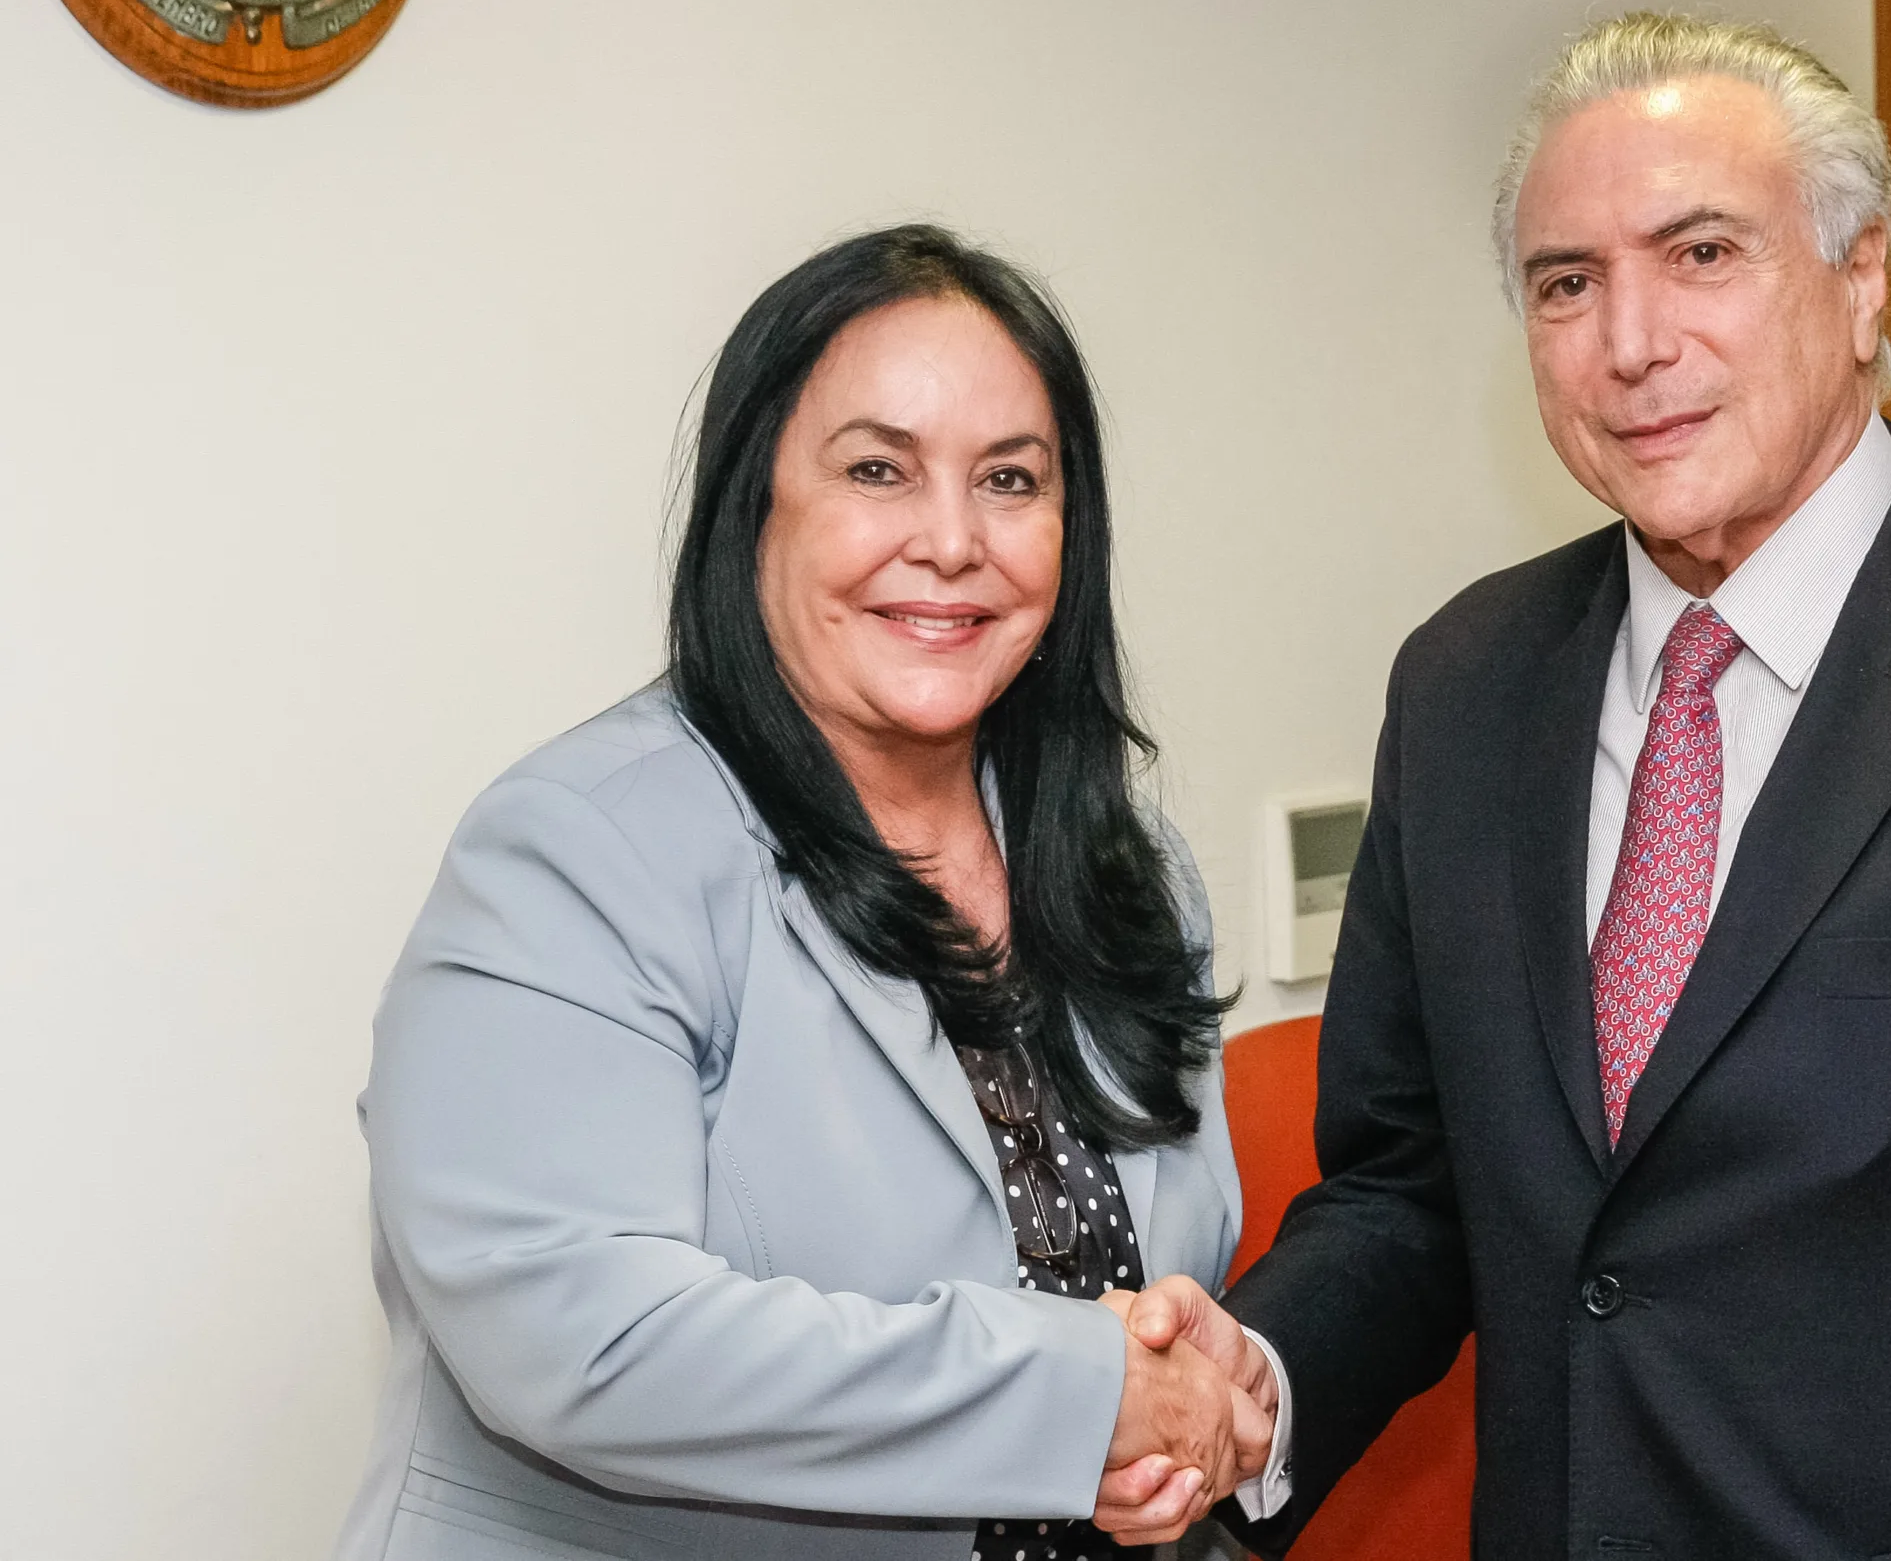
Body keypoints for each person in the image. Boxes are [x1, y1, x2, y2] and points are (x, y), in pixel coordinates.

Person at [1123, 13, 1891, 1559]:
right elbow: (1412, 1190)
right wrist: (1259, 1377)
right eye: (1567, 283)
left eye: (1703, 253)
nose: (1631, 343)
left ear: (1863, 276)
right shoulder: (1463, 686)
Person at [332, 225, 1283, 1561]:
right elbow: (584, 1339)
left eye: (1011, 479)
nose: (952, 542)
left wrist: (1190, 1407)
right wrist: (1081, 1396)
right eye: (878, 470)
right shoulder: (579, 851)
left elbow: (1170, 1293)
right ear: (754, 506)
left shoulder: (1123, 864)